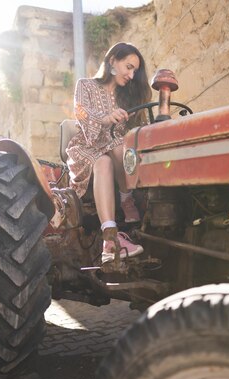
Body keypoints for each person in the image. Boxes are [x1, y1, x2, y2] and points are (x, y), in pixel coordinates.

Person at [65, 42, 151, 263]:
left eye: (135, 71)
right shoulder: (85, 85)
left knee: (121, 147)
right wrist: (105, 119)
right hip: (86, 146)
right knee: (104, 160)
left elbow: (138, 131)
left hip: (118, 150)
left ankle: (126, 199)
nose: (132, 75)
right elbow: (82, 114)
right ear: (113, 61)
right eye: (128, 67)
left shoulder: (128, 96)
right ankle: (111, 239)